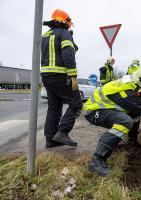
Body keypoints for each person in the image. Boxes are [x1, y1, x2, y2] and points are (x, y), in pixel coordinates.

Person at [83, 65, 141, 176]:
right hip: (93, 111)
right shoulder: (127, 91)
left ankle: (132, 141)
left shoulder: (134, 85)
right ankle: (97, 160)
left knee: (134, 116)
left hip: (104, 108)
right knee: (125, 121)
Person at [40, 9, 82, 148]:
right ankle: (62, 132)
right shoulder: (64, 33)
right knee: (76, 104)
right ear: (65, 21)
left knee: (54, 107)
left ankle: (50, 139)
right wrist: (73, 77)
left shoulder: (46, 35)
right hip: (59, 75)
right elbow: (68, 55)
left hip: (47, 76)